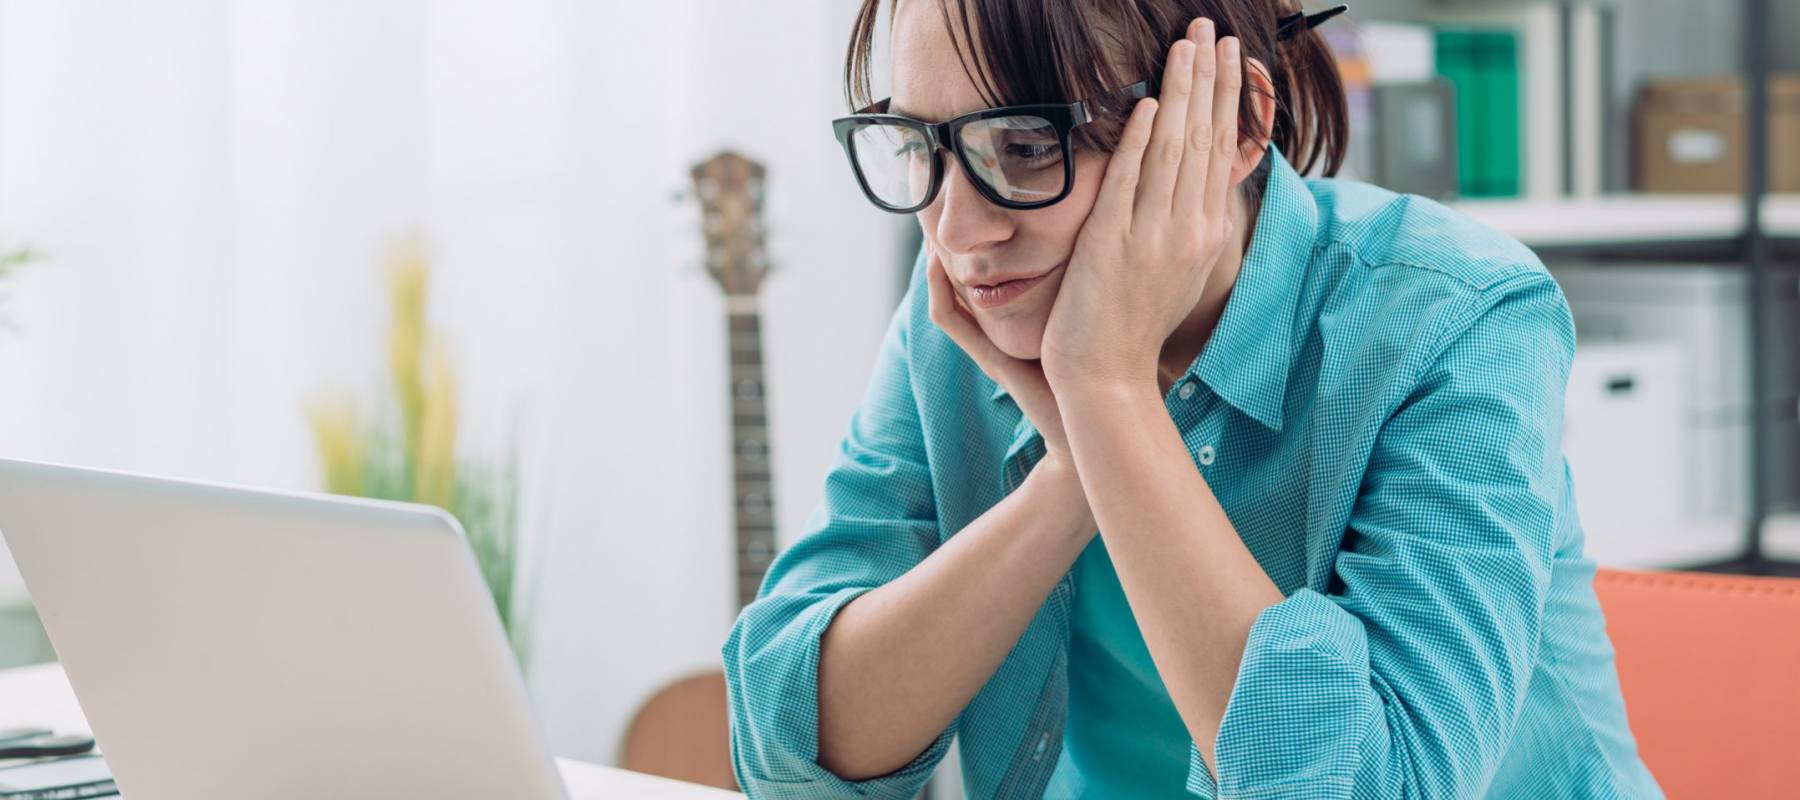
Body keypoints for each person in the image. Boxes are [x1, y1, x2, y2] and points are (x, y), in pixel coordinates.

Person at [723, 0, 1663, 797]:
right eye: (919, 144)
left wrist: (1108, 390)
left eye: (1023, 146)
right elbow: (783, 742)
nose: (960, 230)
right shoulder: (966, 316)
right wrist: (1075, 470)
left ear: (1235, 126)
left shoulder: (1455, 317)